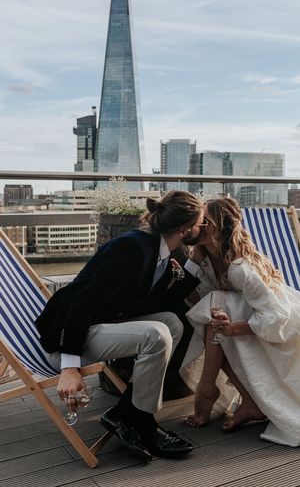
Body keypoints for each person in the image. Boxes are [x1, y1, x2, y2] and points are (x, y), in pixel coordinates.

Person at [35, 189, 206, 461]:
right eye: (201, 223)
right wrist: (69, 366)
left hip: (98, 327)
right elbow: (82, 302)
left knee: (171, 322)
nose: (203, 228)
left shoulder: (157, 251)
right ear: (185, 229)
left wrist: (195, 263)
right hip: (66, 341)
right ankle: (144, 423)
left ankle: (125, 414)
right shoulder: (131, 248)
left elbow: (155, 303)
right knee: (157, 333)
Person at [181, 196, 300, 447]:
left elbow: (277, 315)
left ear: (217, 227)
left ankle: (209, 391)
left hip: (283, 328)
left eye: (203, 221)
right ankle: (243, 400)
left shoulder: (240, 266)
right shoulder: (209, 258)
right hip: (250, 320)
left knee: (219, 308)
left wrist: (233, 328)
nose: (197, 225)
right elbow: (197, 301)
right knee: (216, 310)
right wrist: (192, 260)